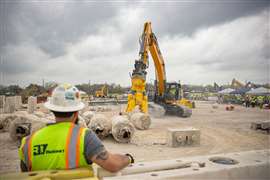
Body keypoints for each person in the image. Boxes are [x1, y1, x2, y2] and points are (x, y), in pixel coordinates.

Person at [19, 83, 134, 173]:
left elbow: (25, 174)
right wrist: (128, 158)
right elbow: (112, 164)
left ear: (52, 110)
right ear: (76, 113)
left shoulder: (28, 142)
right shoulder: (84, 136)